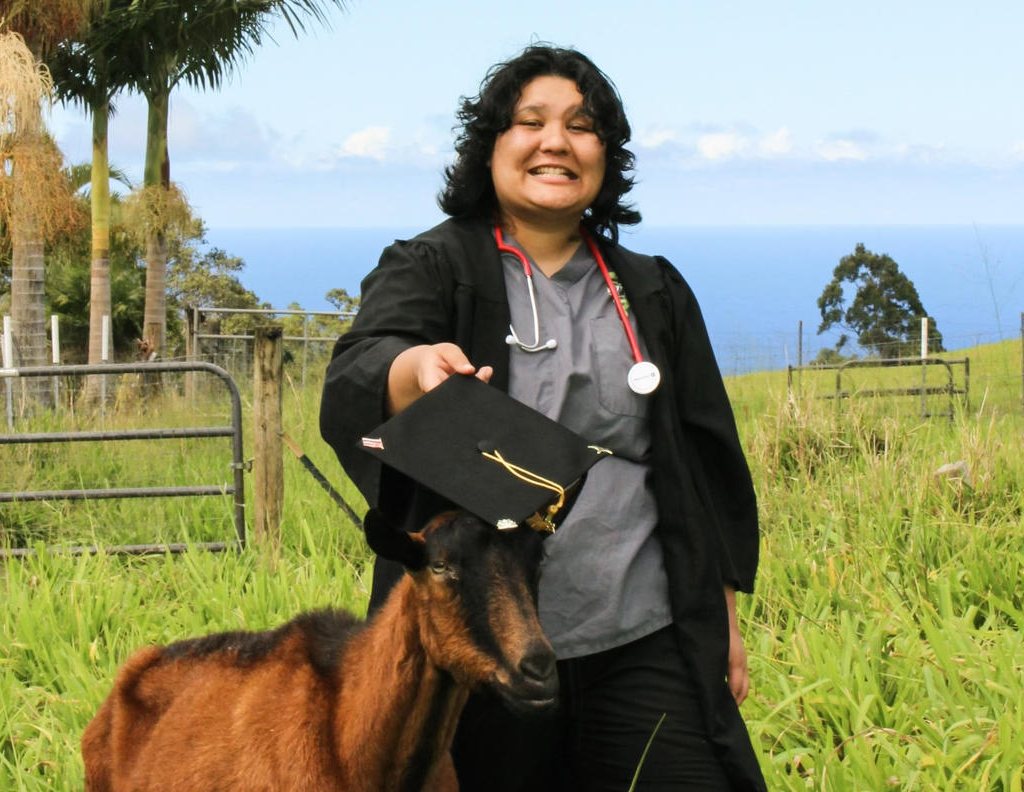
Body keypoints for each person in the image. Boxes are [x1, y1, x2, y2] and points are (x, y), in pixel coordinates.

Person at [321, 44, 765, 791]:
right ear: (491, 145)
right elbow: (364, 362)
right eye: (530, 122)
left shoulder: (650, 289)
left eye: (582, 126)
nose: (556, 141)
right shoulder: (434, 265)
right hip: (479, 643)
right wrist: (414, 371)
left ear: (605, 155)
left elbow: (705, 461)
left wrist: (720, 618)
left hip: (643, 635)